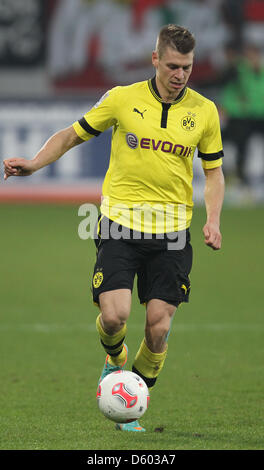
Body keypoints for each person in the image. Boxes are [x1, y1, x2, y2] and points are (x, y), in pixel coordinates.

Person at [3, 24, 225, 433]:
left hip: (173, 232)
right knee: (114, 318)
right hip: (121, 224)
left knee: (158, 328)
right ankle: (115, 359)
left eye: (188, 68)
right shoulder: (122, 99)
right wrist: (33, 163)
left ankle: (131, 405)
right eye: (173, 66)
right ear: (155, 59)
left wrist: (212, 219)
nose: (180, 76)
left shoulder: (205, 111)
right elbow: (72, 134)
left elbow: (213, 173)